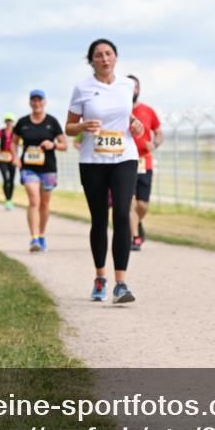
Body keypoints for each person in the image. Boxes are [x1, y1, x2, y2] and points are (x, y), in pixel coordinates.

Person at [66, 38, 145, 303]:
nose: (104, 58)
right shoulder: (82, 88)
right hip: (93, 160)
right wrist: (82, 127)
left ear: (116, 57)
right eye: (98, 55)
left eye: (108, 53)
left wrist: (136, 125)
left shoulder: (126, 85)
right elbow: (69, 127)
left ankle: (121, 284)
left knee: (122, 215)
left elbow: (126, 116)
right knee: (99, 219)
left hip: (124, 156)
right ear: (92, 61)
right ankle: (100, 277)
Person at [13, 92, 67, 252]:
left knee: (44, 203)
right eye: (34, 100)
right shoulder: (22, 122)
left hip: (48, 169)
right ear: (30, 102)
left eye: (39, 100)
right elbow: (13, 142)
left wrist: (53, 145)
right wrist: (15, 157)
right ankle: (34, 239)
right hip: (29, 168)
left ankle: (42, 235)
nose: (37, 103)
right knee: (34, 200)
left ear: (45, 102)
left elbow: (64, 145)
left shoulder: (52, 122)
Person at [128, 74, 163, 251]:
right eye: (128, 86)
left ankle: (136, 223)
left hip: (144, 163)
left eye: (135, 86)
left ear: (139, 90)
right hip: (125, 162)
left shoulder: (148, 111)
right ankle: (135, 237)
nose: (132, 90)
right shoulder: (118, 110)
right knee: (130, 202)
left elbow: (159, 133)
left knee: (142, 205)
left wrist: (154, 144)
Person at [0, 113, 16, 210]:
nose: (9, 123)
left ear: (13, 122)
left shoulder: (16, 133)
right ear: (5, 122)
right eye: (7, 121)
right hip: (2, 158)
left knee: (11, 180)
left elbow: (21, 142)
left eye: (10, 121)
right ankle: (7, 200)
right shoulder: (0, 132)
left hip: (12, 158)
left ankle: (10, 199)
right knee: (6, 179)